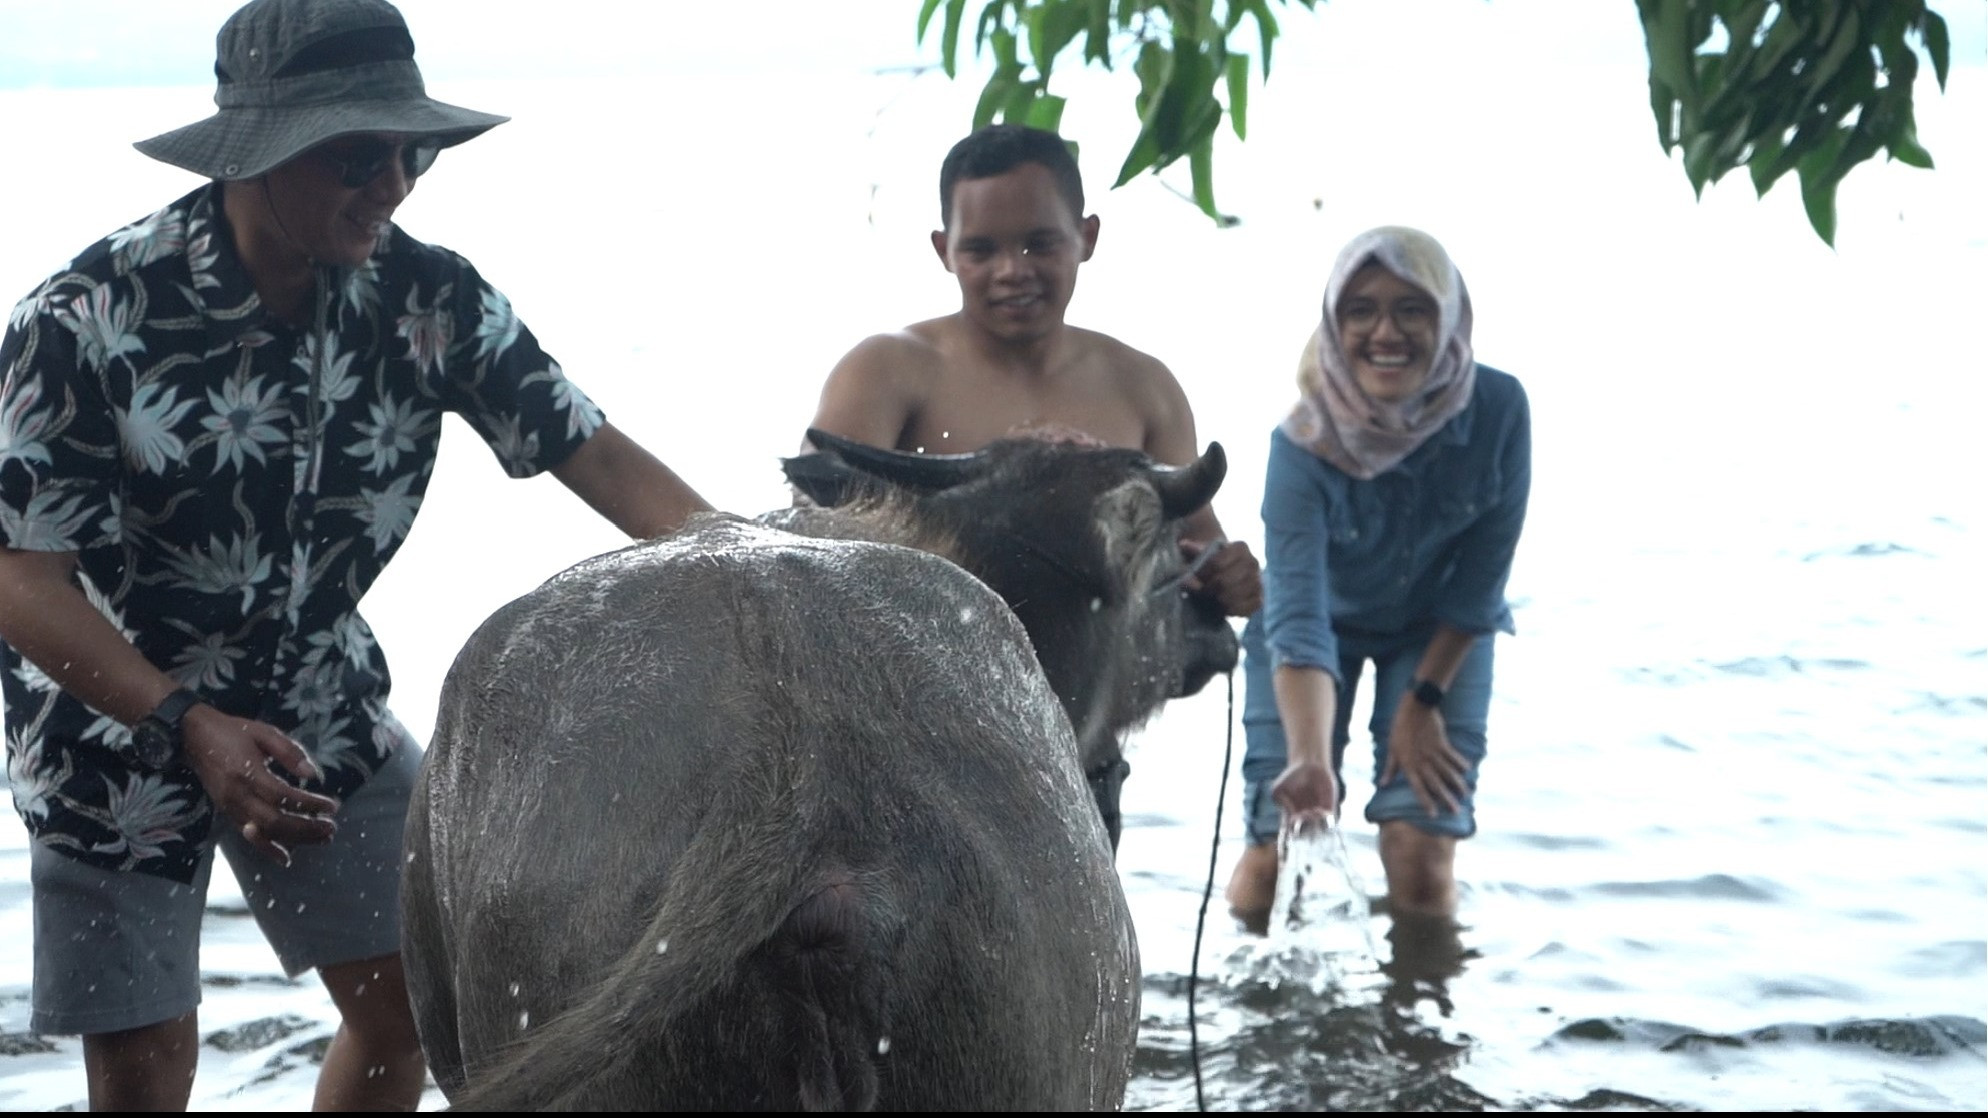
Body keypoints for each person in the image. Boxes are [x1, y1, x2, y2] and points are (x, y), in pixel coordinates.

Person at [0, 0, 710, 1109]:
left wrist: (763, 567)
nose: (390, 184)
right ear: (254, 153)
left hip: (316, 701)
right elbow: (17, 576)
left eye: (409, 152)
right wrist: (184, 722)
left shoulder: (430, 298)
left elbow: (599, 457)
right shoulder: (85, 319)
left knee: (415, 1004)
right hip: (109, 730)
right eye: (353, 156)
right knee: (145, 1068)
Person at [804, 123, 1261, 842]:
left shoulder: (1142, 388)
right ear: (942, 251)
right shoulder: (889, 370)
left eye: (1039, 243)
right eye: (981, 249)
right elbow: (809, 543)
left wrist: (1232, 577)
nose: (1012, 269)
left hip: (1079, 764)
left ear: (1087, 236)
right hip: (908, 763)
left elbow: (1195, 554)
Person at [1224, 226, 1530, 931]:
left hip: (1435, 634)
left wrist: (1421, 702)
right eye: (1360, 310)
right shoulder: (1299, 442)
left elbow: (1482, 578)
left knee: (1420, 858)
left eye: (1411, 309)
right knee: (1279, 849)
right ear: (1334, 322)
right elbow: (1298, 614)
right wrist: (1309, 762)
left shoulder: (1501, 410)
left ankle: (1418, 1031)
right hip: (1311, 634)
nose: (1384, 331)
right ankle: (1247, 1010)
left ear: (1448, 317)